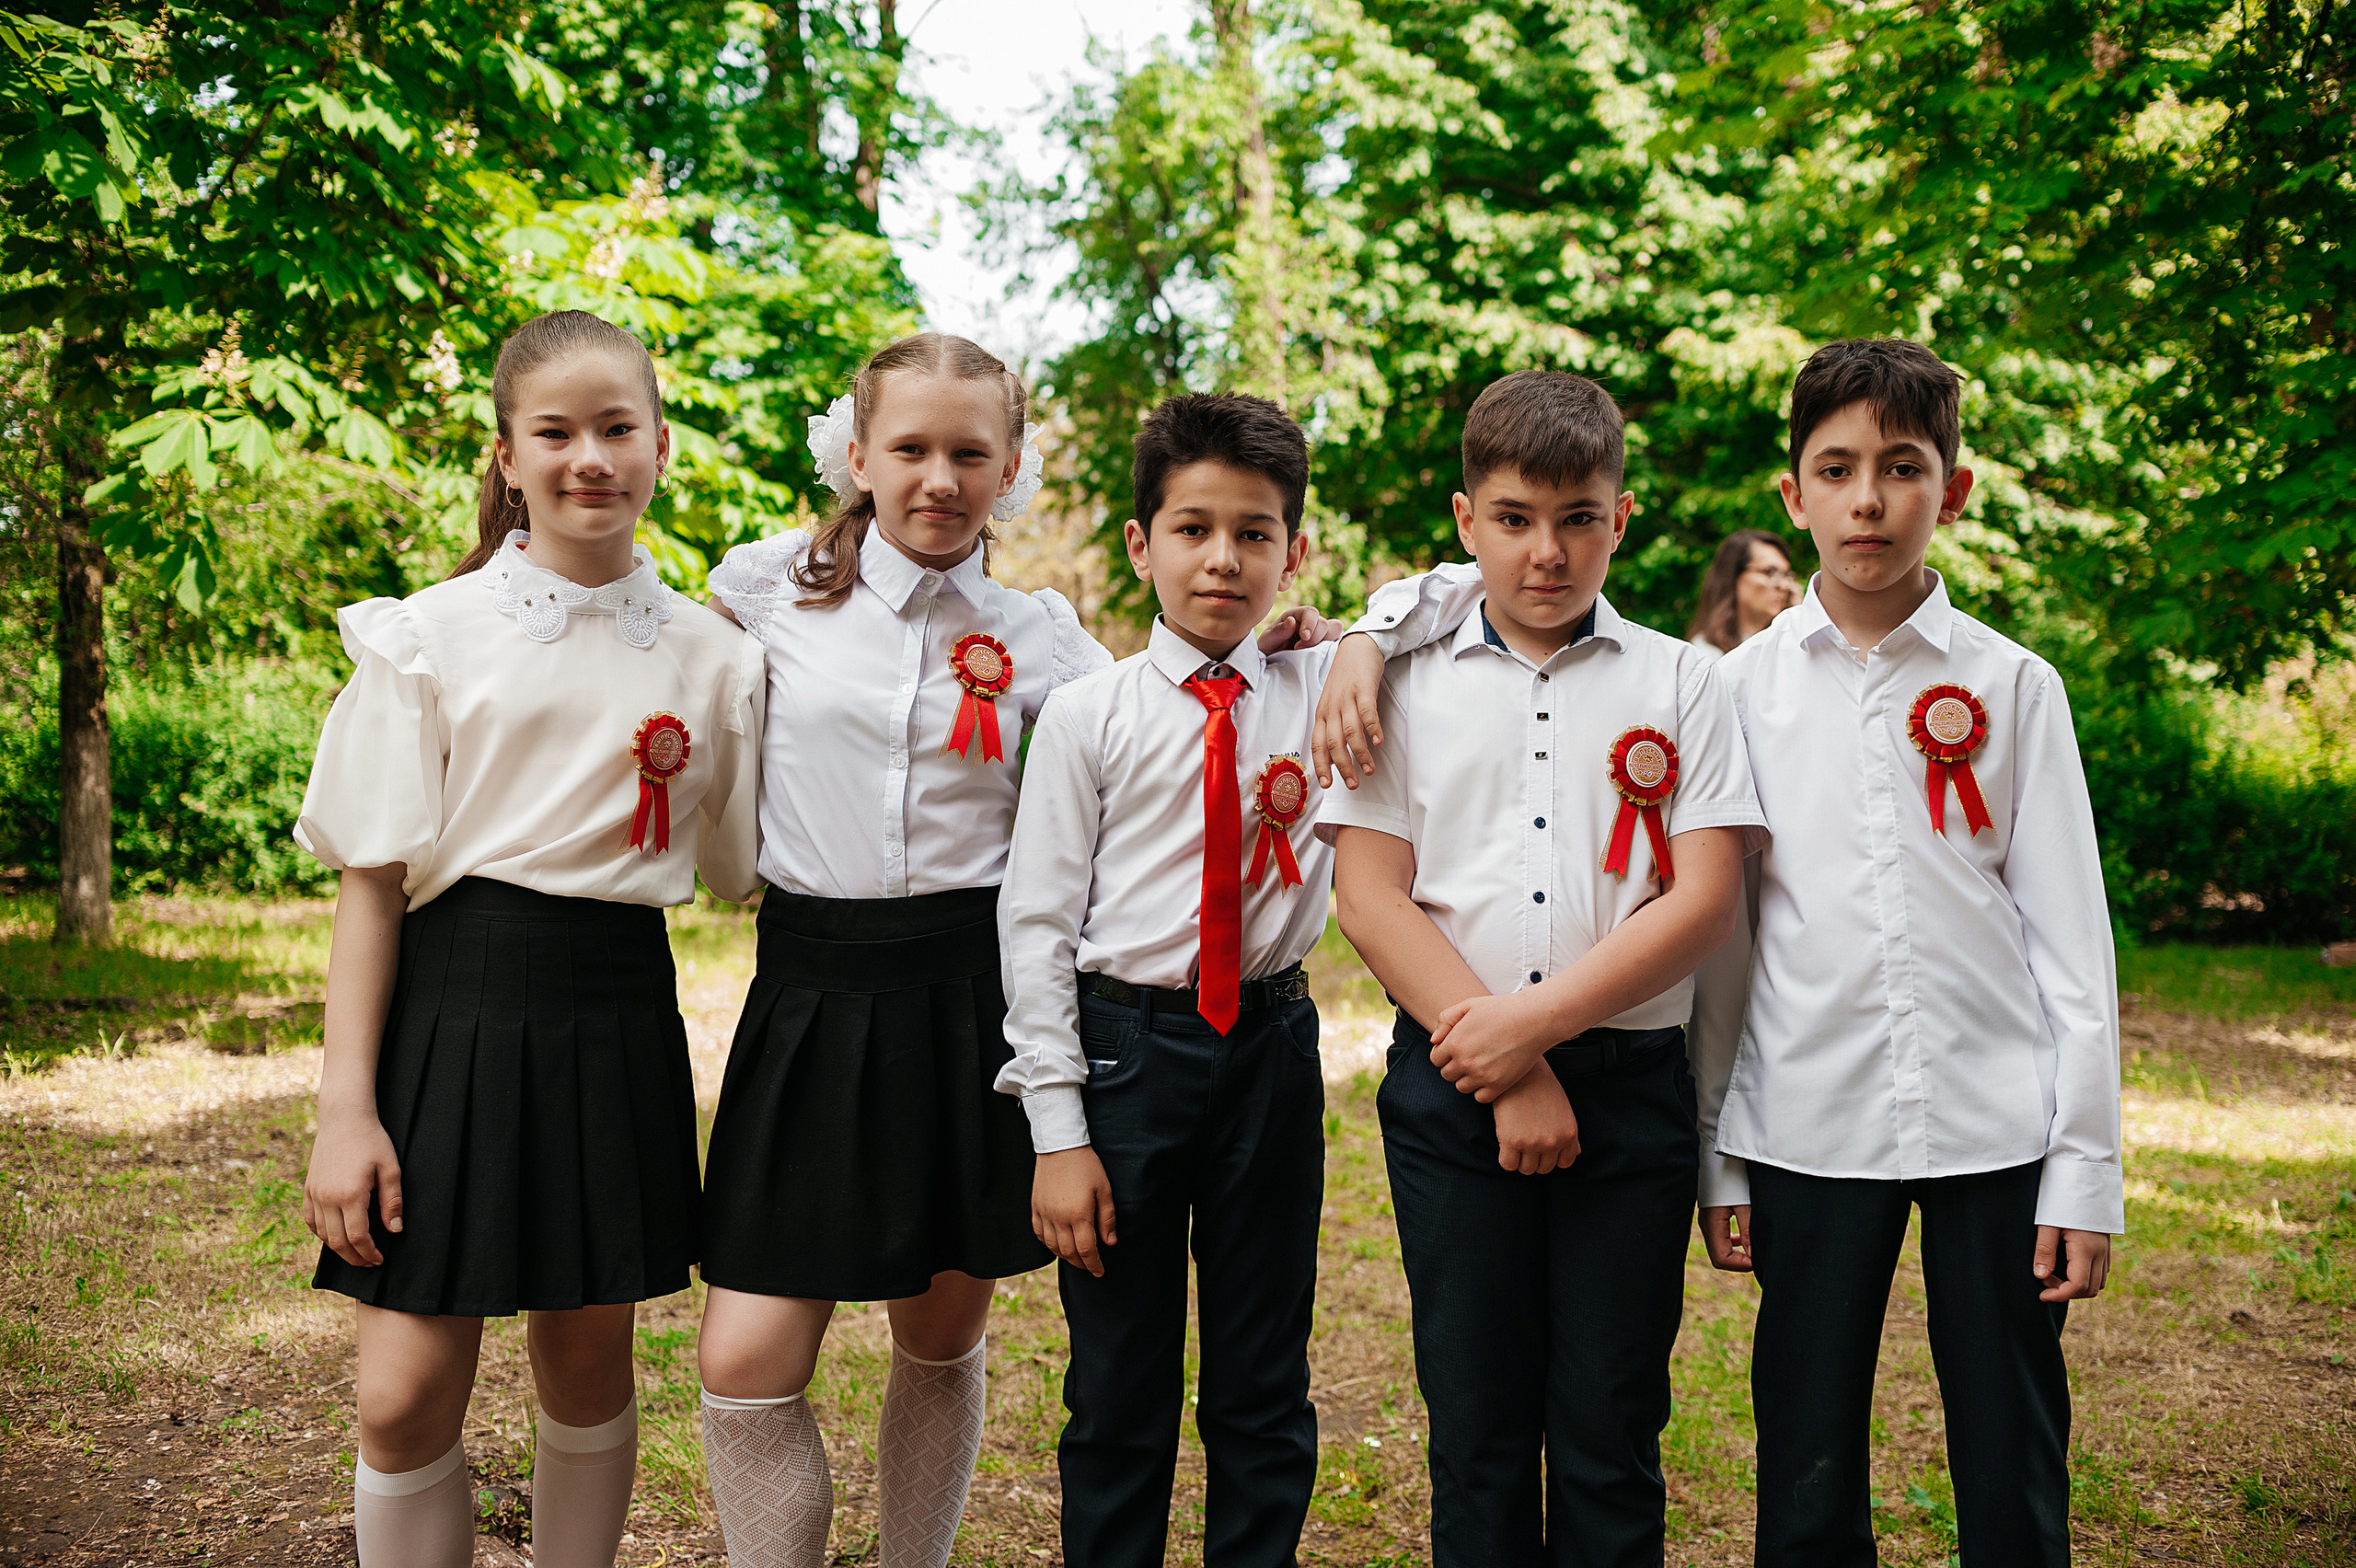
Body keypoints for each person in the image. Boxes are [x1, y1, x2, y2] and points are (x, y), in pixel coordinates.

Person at [687, 337, 1455, 1566]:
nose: (939, 476)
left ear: (1010, 470)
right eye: (911, 449)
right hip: (815, 987)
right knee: (745, 1353)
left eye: (969, 453)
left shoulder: (1044, 637)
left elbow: (1160, 734)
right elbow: (652, 670)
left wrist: (1349, 635)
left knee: (938, 1332)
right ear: (858, 455)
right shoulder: (769, 589)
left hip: (966, 987)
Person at [295, 310, 764, 1568]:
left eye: (617, 429)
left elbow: (737, 868)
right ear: (507, 455)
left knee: (586, 1363)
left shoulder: (715, 657)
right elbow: (371, 882)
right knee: (399, 1398)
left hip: (615, 1009)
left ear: (661, 444)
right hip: (450, 1008)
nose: (588, 458)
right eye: (554, 433)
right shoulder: (426, 634)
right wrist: (347, 1110)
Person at [995, 393, 1463, 1568]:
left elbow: (1466, 589)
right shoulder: (1086, 716)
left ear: (1293, 552)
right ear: (1139, 543)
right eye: (1193, 528)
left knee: (1264, 1374)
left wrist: (1362, 630)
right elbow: (1037, 922)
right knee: (1116, 1383)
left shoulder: (1330, 695)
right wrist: (1058, 1130)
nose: (1223, 559)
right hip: (1124, 1056)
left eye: (1255, 534)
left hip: (1267, 1049)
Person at [1688, 338, 2120, 1567]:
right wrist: (1720, 1159)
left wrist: (2084, 1168)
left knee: (2012, 1447)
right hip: (1808, 1126)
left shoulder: (2016, 688)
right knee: (1807, 1459)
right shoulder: (1735, 695)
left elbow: (2071, 944)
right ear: (1794, 496)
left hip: (2000, 1124)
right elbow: (1724, 943)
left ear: (1955, 489)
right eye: (1836, 470)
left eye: (1901, 466)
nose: (1867, 500)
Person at [1321, 371, 1764, 1564]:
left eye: (1579, 519)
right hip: (1452, 1093)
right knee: (1475, 1427)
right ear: (1467, 524)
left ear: (1622, 520)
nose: (1548, 552)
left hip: (1630, 1100)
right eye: (1514, 519)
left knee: (1613, 1424)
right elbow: (1368, 895)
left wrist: (1538, 1032)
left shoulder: (1685, 682)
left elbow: (1707, 896)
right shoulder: (1400, 683)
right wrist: (1505, 1064)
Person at [1687, 527, 1802, 660]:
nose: (1784, 586)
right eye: (1770, 572)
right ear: (1733, 576)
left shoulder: (1785, 646)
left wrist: (1797, 624)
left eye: (1786, 575)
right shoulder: (1705, 655)